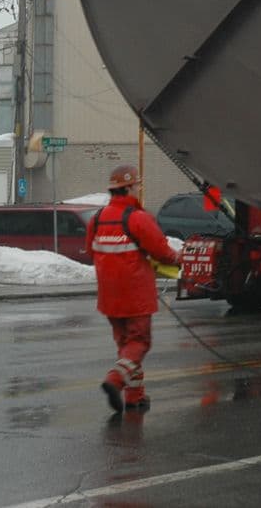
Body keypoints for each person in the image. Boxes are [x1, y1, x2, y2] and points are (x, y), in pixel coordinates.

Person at [86, 163, 181, 413]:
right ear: (128, 188)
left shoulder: (97, 219)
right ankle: (115, 380)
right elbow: (161, 251)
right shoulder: (138, 218)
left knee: (126, 346)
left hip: (109, 295)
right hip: (135, 294)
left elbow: (92, 251)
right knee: (139, 342)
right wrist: (177, 259)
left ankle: (134, 396)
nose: (138, 190)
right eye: (136, 186)